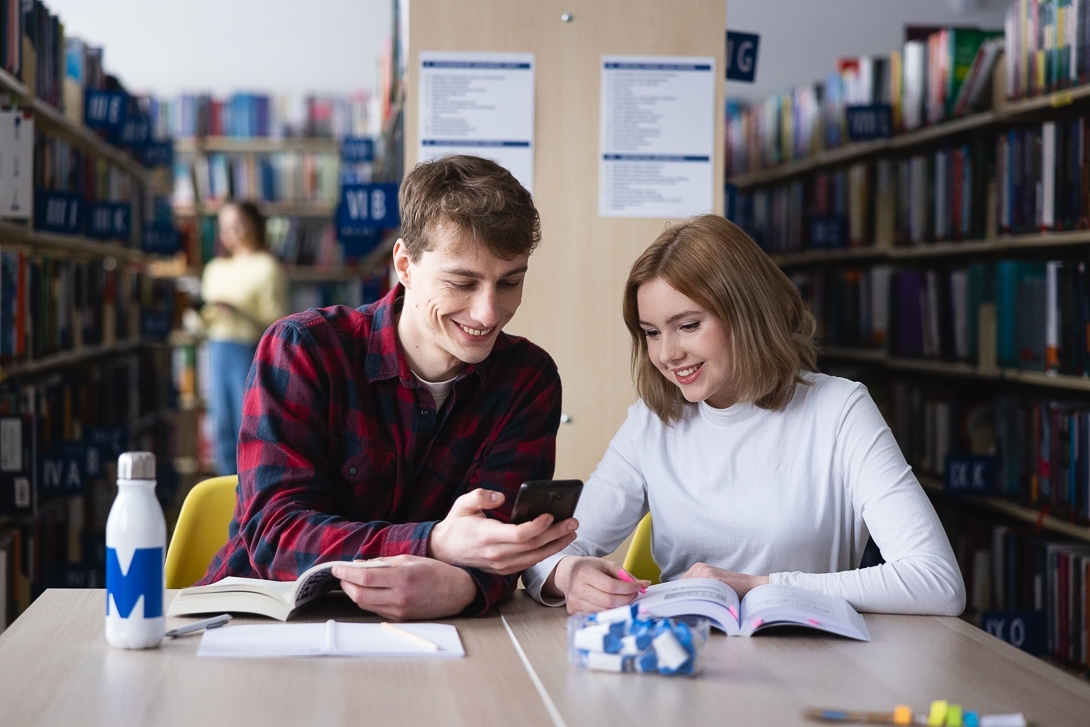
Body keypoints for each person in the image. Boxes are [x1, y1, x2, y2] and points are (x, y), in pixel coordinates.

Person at [523, 214, 966, 617]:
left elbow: (936, 581)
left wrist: (758, 587)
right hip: (691, 660)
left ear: (746, 316)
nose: (667, 354)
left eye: (689, 325)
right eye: (652, 333)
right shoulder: (652, 422)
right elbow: (542, 556)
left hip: (814, 660)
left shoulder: (840, 410)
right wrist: (571, 574)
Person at [200, 155, 577, 621]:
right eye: (462, 282)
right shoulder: (302, 349)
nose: (487, 313)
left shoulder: (528, 379)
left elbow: (498, 547)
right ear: (405, 264)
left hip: (438, 632)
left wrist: (462, 587)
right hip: (263, 621)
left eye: (510, 282)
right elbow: (277, 538)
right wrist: (434, 542)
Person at [200, 201, 288, 476]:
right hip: (216, 347)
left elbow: (277, 322)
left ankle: (251, 489)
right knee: (221, 425)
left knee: (248, 424)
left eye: (237, 224)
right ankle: (227, 488)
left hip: (249, 349)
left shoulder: (268, 267)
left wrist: (238, 311)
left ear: (254, 224)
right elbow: (208, 317)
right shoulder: (214, 268)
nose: (231, 232)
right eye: (224, 226)